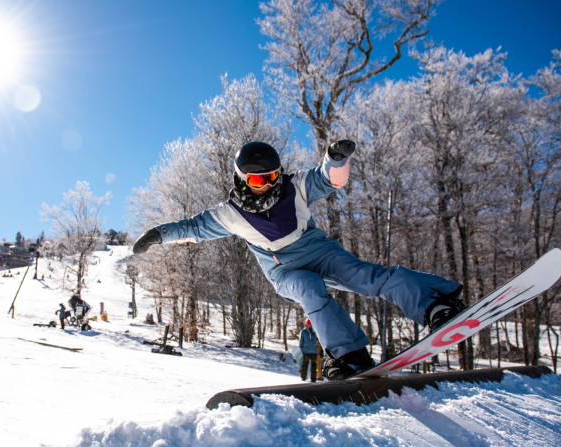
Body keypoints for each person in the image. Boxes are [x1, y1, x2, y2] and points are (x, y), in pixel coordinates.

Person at [133, 140, 466, 380]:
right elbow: (192, 227)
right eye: (256, 180)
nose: (266, 186)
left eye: (272, 177)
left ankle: (436, 304)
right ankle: (349, 355)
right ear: (241, 179)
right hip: (285, 270)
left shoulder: (296, 187)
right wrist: (158, 234)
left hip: (321, 252)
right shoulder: (230, 214)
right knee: (309, 288)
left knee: (369, 278)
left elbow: (327, 178)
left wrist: (336, 161)